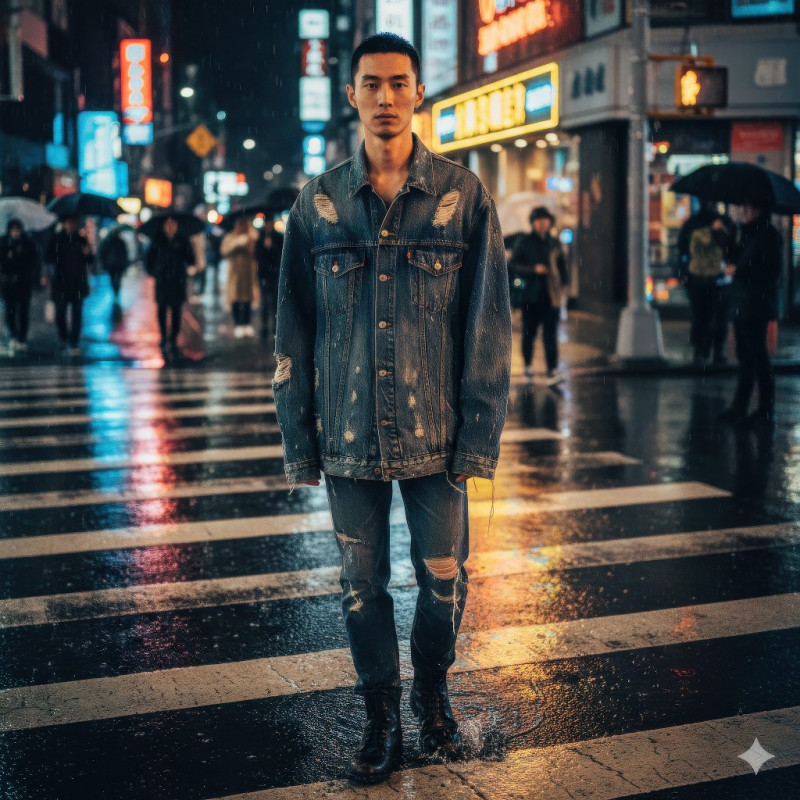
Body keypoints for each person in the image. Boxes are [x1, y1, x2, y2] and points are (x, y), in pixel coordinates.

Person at [273, 33, 511, 785]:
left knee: (445, 582)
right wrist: (298, 440)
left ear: (418, 94)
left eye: (397, 83)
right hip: (346, 436)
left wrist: (479, 438)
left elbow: (488, 327)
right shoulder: (316, 204)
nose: (384, 97)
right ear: (351, 95)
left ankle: (431, 694)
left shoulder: (461, 197)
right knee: (359, 587)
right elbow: (292, 329)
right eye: (370, 84)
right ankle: (382, 718)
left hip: (437, 435)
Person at [718, 202, 782, 428]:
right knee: (745, 357)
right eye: (744, 207)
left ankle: (766, 410)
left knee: (758, 357)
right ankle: (740, 406)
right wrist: (727, 237)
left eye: (750, 207)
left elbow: (770, 270)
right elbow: (733, 258)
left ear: (760, 209)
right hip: (742, 302)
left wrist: (740, 271)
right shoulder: (744, 232)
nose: (745, 211)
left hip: (757, 304)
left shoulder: (769, 235)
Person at [508, 206, 567, 384]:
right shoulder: (525, 241)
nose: (542, 223)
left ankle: (552, 370)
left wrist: (563, 285)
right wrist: (533, 269)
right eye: (538, 220)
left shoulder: (554, 242)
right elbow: (513, 265)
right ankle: (527, 367)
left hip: (550, 296)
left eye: (545, 219)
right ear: (533, 222)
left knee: (550, 334)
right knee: (529, 333)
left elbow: (562, 266)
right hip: (530, 297)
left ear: (550, 222)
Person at [677, 201, 732, 366]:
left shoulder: (722, 222)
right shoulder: (693, 223)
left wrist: (720, 232)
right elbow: (683, 249)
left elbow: (730, 248)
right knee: (702, 316)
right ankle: (703, 350)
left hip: (716, 278)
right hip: (698, 278)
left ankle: (713, 351)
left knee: (716, 317)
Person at [145, 216, 195, 355]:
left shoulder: (183, 240)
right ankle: (163, 336)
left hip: (178, 280)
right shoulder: (157, 240)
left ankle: (173, 337)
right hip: (162, 280)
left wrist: (187, 251)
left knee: (176, 310)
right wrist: (155, 272)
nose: (170, 227)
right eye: (168, 224)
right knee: (161, 308)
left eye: (173, 224)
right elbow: (148, 260)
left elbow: (191, 259)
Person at [45, 215, 93, 355]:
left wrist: (87, 253)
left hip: (78, 282)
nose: (71, 225)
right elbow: (48, 258)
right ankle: (63, 337)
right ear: (64, 223)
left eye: (74, 222)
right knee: (60, 313)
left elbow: (90, 260)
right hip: (61, 283)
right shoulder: (56, 239)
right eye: (69, 222)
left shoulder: (81, 240)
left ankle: (74, 342)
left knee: (77, 314)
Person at [0, 218, 41, 352]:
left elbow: (33, 262)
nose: (15, 232)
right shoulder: (4, 243)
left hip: (23, 283)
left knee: (23, 311)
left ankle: (22, 337)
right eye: (13, 230)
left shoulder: (28, 244)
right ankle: (13, 334)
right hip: (8, 283)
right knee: (10, 311)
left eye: (17, 229)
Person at [221, 217, 260, 338]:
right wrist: (237, 243)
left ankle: (246, 324)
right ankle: (238, 324)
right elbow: (224, 250)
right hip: (235, 272)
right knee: (235, 298)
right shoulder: (231, 236)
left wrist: (250, 238)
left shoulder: (251, 236)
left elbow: (256, 250)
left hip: (248, 272)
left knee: (248, 298)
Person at [255, 218, 283, 341]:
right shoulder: (260, 237)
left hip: (275, 273)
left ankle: (275, 326)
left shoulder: (278, 236)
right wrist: (264, 247)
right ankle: (264, 326)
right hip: (263, 274)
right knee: (265, 302)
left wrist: (272, 247)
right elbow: (257, 255)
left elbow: (281, 254)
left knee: (275, 301)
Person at [99, 227, 129, 307]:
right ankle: (116, 291)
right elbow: (124, 254)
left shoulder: (107, 242)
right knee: (117, 279)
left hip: (111, 265)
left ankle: (115, 291)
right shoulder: (120, 242)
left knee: (113, 279)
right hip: (118, 265)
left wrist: (104, 263)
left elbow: (102, 253)